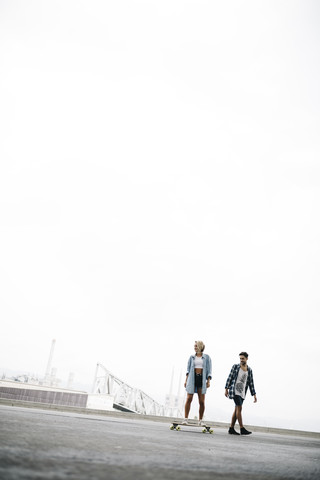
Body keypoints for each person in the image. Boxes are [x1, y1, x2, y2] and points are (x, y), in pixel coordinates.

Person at [225, 351, 257, 435]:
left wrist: (254, 394)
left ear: (247, 358)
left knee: (236, 409)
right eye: (240, 358)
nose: (241, 360)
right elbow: (230, 377)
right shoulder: (235, 367)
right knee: (239, 408)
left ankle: (231, 428)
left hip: (242, 392)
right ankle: (242, 428)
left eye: (243, 358)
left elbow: (251, 383)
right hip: (234, 390)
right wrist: (226, 388)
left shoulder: (249, 370)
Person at [184, 340, 212, 425]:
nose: (194, 347)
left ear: (200, 346)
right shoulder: (191, 357)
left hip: (202, 379)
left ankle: (200, 420)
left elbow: (209, 370)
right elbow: (188, 370)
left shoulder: (207, 357)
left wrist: (208, 381)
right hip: (192, 378)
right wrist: (186, 380)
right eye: (194, 346)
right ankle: (185, 419)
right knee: (189, 399)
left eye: (196, 346)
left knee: (201, 401)